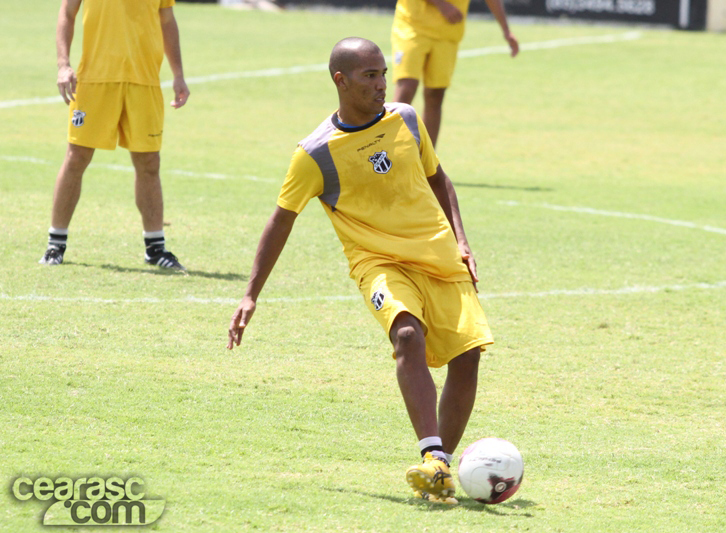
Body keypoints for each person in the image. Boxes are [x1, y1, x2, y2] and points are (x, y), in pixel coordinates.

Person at [227, 37, 493, 504]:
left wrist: (462, 238)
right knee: (407, 335)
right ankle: (432, 455)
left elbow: (438, 177)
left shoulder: (407, 119)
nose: (381, 83)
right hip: (378, 262)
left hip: (438, 253)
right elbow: (280, 221)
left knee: (468, 356)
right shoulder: (315, 153)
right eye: (370, 75)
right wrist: (251, 293)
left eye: (383, 73)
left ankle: (440, 473)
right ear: (341, 80)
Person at [39, 0, 190, 270]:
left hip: (144, 80)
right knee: (77, 157)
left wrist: (178, 74)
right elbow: (67, 11)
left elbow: (167, 20)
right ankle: (55, 244)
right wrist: (63, 64)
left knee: (149, 162)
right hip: (95, 79)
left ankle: (155, 248)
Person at [392, 0, 519, 146]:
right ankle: (388, 152)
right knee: (406, 88)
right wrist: (441, 4)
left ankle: (428, 162)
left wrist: (506, 30)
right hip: (412, 26)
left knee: (435, 95)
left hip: (448, 32)